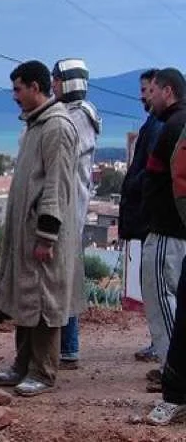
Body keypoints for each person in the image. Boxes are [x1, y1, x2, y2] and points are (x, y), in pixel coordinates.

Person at [0, 60, 80, 397]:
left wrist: (47, 234)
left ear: (35, 87)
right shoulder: (36, 125)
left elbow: (56, 184)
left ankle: (42, 371)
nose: (14, 96)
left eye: (18, 89)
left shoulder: (57, 127)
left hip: (44, 235)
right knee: (26, 299)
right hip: (26, 233)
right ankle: (22, 363)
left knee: (44, 300)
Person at [50, 58, 102, 370]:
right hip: (71, 209)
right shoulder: (74, 114)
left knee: (64, 281)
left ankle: (68, 346)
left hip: (71, 210)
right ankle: (65, 345)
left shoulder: (78, 116)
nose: (53, 84)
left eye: (57, 79)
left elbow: (62, 158)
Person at [140, 68, 186, 394]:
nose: (148, 97)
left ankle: (174, 376)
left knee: (161, 301)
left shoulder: (173, 126)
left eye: (152, 91)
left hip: (168, 232)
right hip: (174, 232)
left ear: (167, 91)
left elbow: (171, 182)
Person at [119, 69, 163, 363]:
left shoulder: (160, 126)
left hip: (153, 220)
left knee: (158, 287)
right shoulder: (154, 124)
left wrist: (135, 186)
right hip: (148, 218)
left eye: (147, 90)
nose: (142, 96)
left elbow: (152, 171)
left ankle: (162, 348)